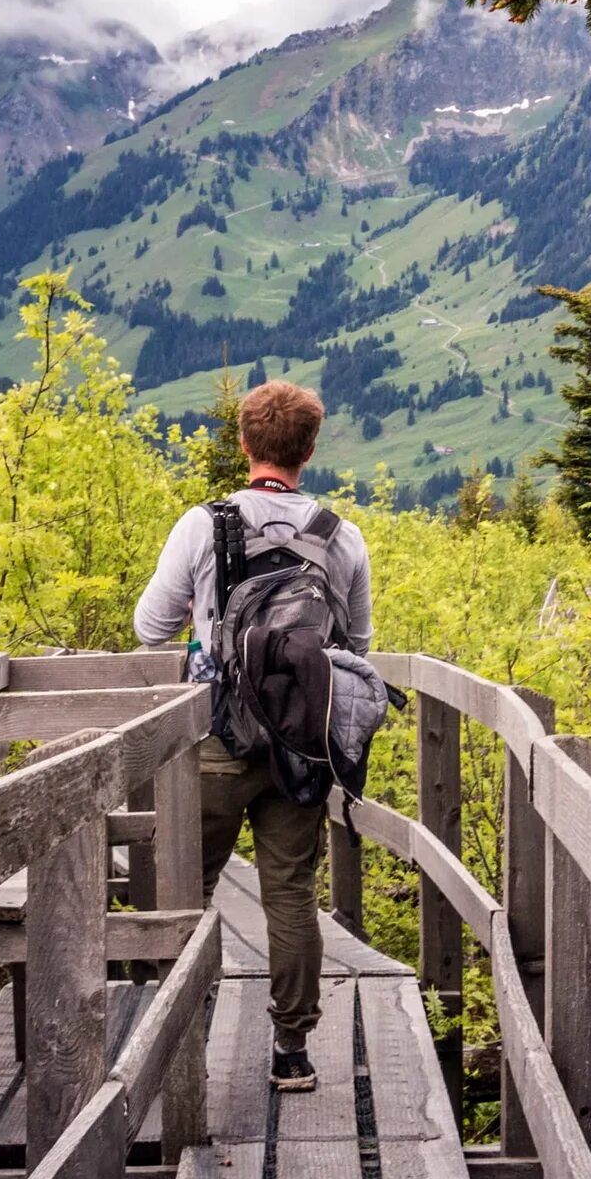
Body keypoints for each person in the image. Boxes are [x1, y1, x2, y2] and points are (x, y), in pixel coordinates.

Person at [133, 378, 372, 1093]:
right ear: (310, 449)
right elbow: (356, 644)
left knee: (188, 888)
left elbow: (150, 627)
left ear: (244, 443)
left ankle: (183, 1038)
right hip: (301, 741)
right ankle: (291, 1051)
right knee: (291, 892)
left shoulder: (202, 525)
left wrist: (209, 630)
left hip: (215, 734)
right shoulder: (342, 535)